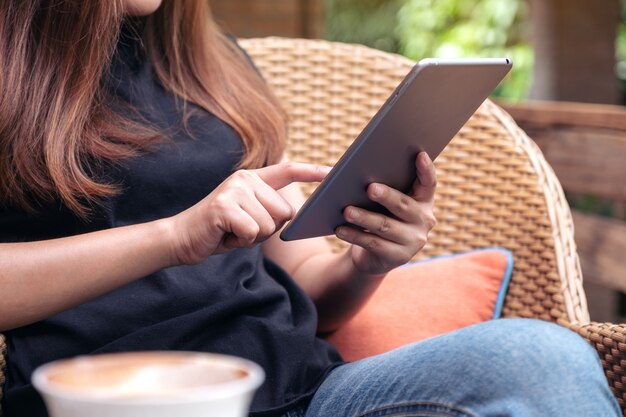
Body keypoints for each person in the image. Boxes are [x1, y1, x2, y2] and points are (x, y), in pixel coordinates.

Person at [0, 1, 620, 416]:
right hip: (116, 399)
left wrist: (366, 260)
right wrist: (174, 237)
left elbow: (304, 284)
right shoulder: (14, 83)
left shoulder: (210, 68)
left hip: (305, 390)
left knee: (540, 357)